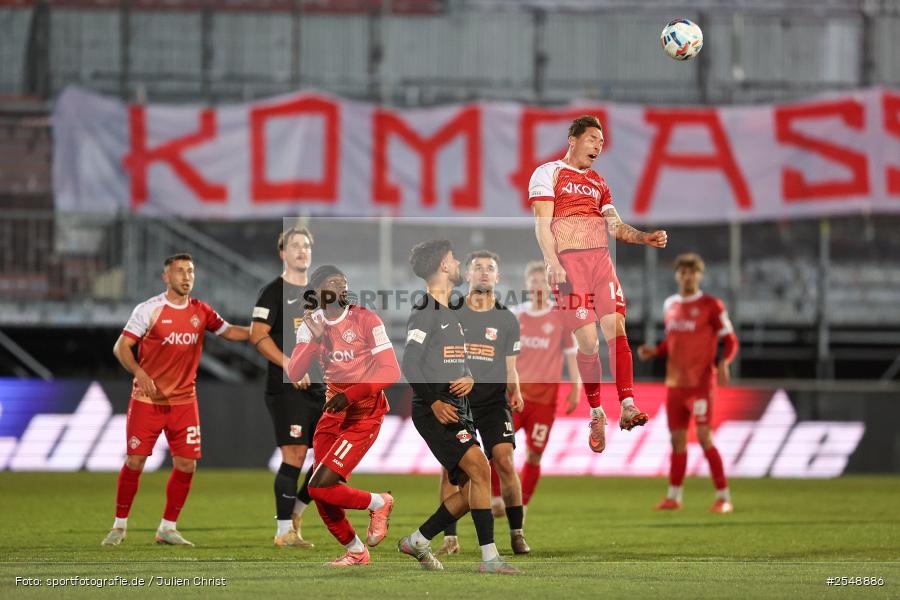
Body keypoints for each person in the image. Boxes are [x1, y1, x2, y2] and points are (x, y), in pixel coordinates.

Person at [529, 114, 667, 454]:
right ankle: (596, 411)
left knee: (616, 327)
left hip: (601, 263)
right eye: (592, 139)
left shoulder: (598, 183)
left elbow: (615, 226)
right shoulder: (548, 173)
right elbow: (542, 224)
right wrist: (552, 263)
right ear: (573, 139)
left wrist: (644, 237)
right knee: (588, 343)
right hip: (567, 264)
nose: (598, 146)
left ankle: (629, 404)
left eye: (602, 143)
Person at [101, 253, 249, 547]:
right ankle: (119, 526)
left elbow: (229, 331)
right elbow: (122, 347)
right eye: (179, 271)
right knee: (135, 460)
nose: (186, 276)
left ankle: (167, 528)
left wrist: (260, 332)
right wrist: (140, 372)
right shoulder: (149, 310)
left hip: (184, 402)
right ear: (166, 277)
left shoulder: (201, 310)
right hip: (147, 400)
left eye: (190, 271)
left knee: (186, 465)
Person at [397, 240, 518, 574]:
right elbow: (409, 362)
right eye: (452, 259)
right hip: (437, 409)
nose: (457, 264)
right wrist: (433, 401)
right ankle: (490, 559)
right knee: (482, 470)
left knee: (472, 488)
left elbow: (449, 360)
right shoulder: (425, 311)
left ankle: (419, 540)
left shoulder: (447, 310)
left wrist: (467, 377)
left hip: (457, 405)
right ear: (443, 266)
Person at [286, 265, 400, 566]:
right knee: (320, 490)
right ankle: (356, 551)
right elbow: (295, 371)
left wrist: (348, 395)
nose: (341, 286)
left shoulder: (366, 319)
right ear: (318, 291)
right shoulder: (310, 326)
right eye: (333, 282)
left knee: (318, 485)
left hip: (364, 415)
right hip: (332, 415)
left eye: (344, 282)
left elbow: (391, 370)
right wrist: (315, 339)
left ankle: (380, 502)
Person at [436, 251, 528, 557]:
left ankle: (517, 533)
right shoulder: (451, 310)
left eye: (491, 268)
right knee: (453, 472)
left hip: (492, 403)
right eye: (479, 268)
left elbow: (510, 364)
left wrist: (515, 391)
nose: (485, 273)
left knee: (504, 461)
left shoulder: (506, 319)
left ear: (498, 277)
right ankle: (450, 537)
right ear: (469, 274)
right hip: (458, 404)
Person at [638, 253, 739, 513]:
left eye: (692, 272)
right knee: (677, 441)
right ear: (676, 275)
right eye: (682, 272)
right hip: (675, 384)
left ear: (699, 275)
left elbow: (731, 341)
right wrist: (656, 351)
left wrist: (724, 362)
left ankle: (723, 497)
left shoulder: (711, 305)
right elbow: (672, 341)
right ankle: (674, 497)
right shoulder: (670, 304)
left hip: (700, 384)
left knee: (705, 437)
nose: (687, 276)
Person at [250, 227, 326, 547]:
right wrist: (289, 365)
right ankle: (284, 532)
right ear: (283, 253)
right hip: (287, 387)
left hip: (319, 388)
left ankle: (296, 510)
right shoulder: (273, 291)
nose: (302, 250)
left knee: (327, 457)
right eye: (295, 245)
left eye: (306, 245)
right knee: (294, 454)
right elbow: (257, 335)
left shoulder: (319, 294)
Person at [503, 261, 581, 510]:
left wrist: (577, 388)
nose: (538, 286)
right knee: (500, 450)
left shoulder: (561, 317)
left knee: (534, 454)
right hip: (514, 397)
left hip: (545, 401)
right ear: (527, 284)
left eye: (543, 282)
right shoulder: (515, 315)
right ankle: (496, 499)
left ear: (550, 286)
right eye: (533, 281)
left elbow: (572, 354)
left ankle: (521, 506)